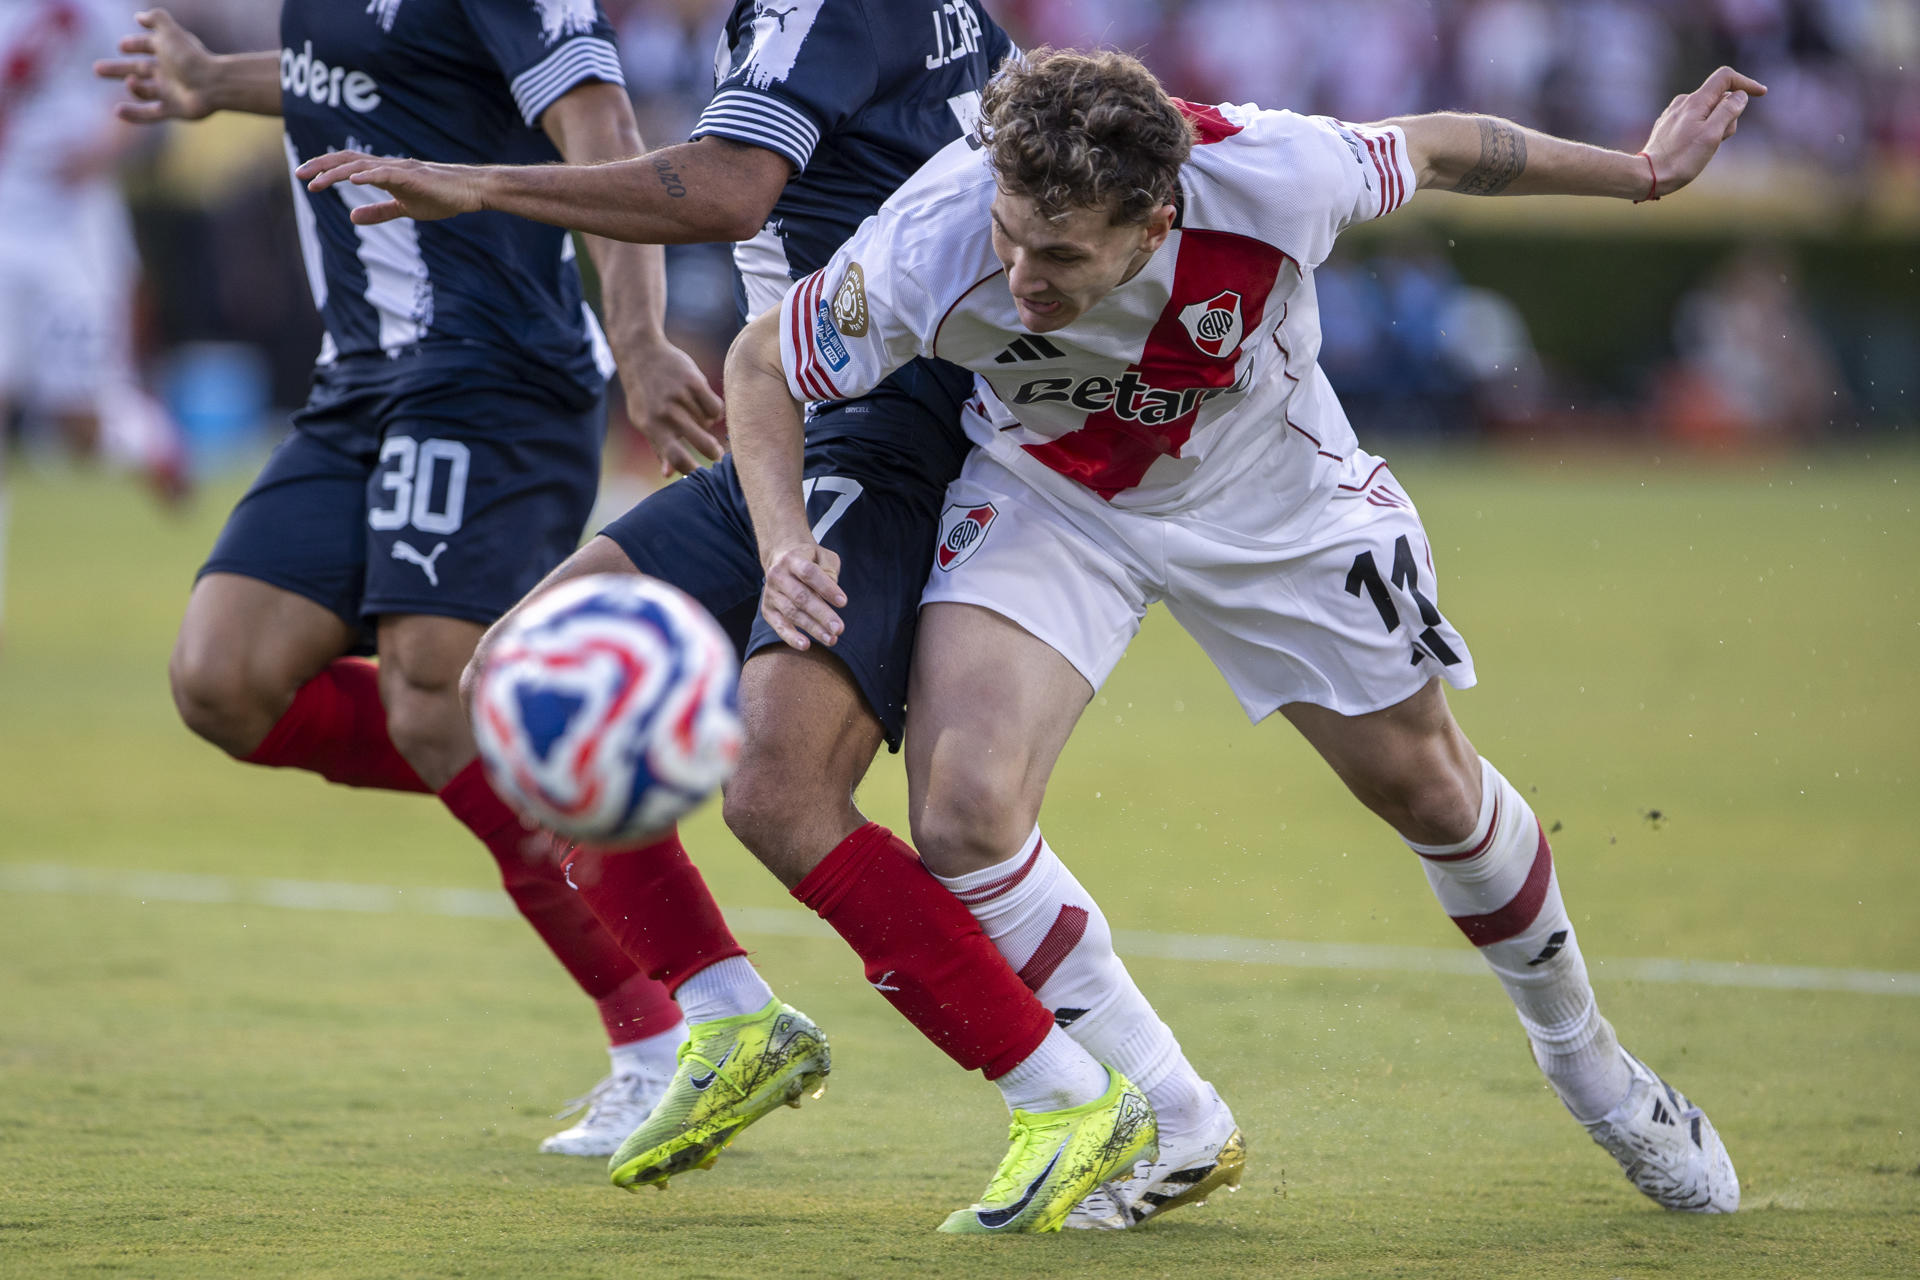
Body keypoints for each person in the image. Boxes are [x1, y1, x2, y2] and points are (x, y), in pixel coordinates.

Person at [729, 47, 1766, 1215]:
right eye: (1012, 235)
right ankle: (1172, 1118)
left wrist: (1637, 172)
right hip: (1052, 494)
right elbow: (763, 359)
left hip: (1276, 494)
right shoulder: (937, 231)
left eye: (1060, 254)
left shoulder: (1277, 172)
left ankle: (1596, 1072)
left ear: (1155, 217)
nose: (1019, 273)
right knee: (963, 810)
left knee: (1431, 790)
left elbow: (1436, 146)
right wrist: (782, 539)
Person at [296, 2, 1237, 1234]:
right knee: (512, 676)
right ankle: (730, 1016)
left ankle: (1062, 1094)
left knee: (775, 786)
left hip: (890, 421)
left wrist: (477, 186)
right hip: (799, 415)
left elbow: (730, 189)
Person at [94, 3, 729, 1156]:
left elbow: (601, 125)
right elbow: (373, 69)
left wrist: (639, 339)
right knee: (224, 677)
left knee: (435, 686)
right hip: (359, 383)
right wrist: (214, 79)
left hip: (496, 369)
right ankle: (589, 764)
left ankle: (669, 1025)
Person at [1, 0, 187, 642]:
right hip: (3, 215)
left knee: (74, 423)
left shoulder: (101, 6)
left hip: (70, 225)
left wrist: (105, 145)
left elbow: (151, 77)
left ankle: (147, 436)